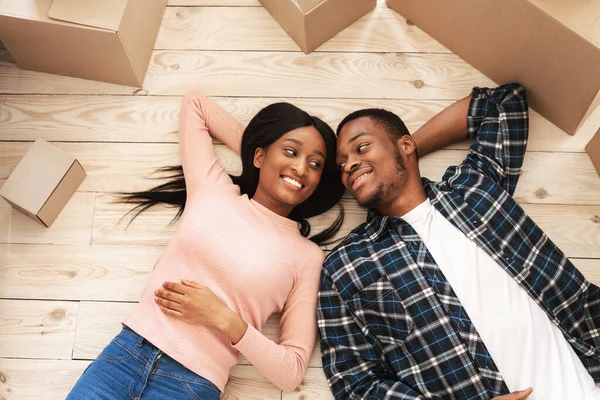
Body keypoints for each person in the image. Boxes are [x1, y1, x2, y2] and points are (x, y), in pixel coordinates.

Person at [317, 83, 600, 399]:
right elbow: (354, 384)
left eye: (362, 147)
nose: (349, 165)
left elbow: (504, 103)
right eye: (341, 164)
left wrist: (403, 155)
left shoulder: (475, 189)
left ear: (405, 145)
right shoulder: (344, 266)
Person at [67, 90, 345, 399]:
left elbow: (291, 372)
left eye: (316, 164)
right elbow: (195, 104)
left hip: (190, 387)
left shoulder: (306, 256)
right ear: (258, 155)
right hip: (123, 359)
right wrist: (260, 149)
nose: (301, 168)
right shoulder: (212, 187)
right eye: (291, 152)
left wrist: (223, 317)